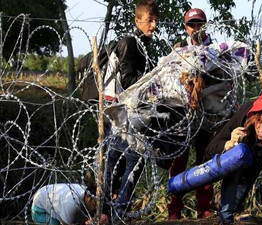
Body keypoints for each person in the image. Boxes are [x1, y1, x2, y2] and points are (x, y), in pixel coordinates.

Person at [204, 89, 262, 225]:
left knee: (237, 199)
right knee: (239, 156)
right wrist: (230, 143)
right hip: (235, 155)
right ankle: (224, 211)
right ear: (254, 117)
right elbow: (210, 148)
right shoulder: (244, 115)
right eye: (259, 121)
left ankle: (228, 204)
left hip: (258, 156)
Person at [103, 0, 159, 217]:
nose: (153, 25)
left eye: (156, 21)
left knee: (115, 160)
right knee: (133, 158)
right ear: (137, 20)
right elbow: (128, 81)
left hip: (122, 111)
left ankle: (108, 210)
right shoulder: (130, 43)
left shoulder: (140, 43)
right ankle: (118, 210)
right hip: (118, 111)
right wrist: (156, 81)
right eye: (149, 21)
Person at [167, 8, 214, 220]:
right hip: (184, 116)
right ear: (186, 27)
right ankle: (174, 209)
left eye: (199, 24)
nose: (196, 29)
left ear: (205, 25)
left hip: (207, 114)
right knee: (179, 161)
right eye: (192, 24)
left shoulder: (215, 51)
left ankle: (204, 207)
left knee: (204, 162)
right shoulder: (179, 50)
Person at [31, 183, 108, 225]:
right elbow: (65, 223)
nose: (96, 208)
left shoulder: (85, 194)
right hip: (41, 207)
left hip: (51, 199)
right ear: (88, 197)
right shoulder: (71, 203)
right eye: (95, 204)